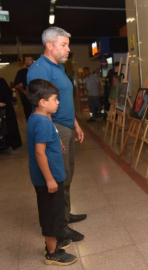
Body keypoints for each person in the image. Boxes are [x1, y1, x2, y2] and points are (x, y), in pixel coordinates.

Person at [27, 26, 86, 242]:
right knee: (58, 177)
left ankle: (65, 215)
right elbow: (43, 106)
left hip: (66, 126)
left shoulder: (58, 67)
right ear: (49, 45)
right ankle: (59, 227)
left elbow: (63, 101)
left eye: (68, 44)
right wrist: (54, 135)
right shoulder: (40, 69)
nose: (68, 49)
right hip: (55, 128)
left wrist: (76, 124)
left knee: (67, 175)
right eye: (64, 44)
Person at [26, 79, 76, 266]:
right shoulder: (43, 123)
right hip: (49, 179)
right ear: (42, 102)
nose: (58, 102)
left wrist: (58, 141)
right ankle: (52, 253)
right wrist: (49, 179)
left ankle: (54, 244)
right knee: (51, 215)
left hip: (50, 176)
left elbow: (47, 138)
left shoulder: (38, 117)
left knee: (53, 212)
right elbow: (40, 152)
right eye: (55, 99)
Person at [0, 77, 22, 152]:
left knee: (6, 127)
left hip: (5, 109)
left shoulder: (1, 81)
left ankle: (7, 144)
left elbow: (7, 94)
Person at [14, 55, 35, 121]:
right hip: (26, 98)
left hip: (37, 96)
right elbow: (16, 85)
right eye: (26, 60)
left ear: (33, 60)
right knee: (28, 114)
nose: (28, 61)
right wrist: (24, 91)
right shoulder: (21, 72)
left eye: (30, 59)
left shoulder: (37, 70)